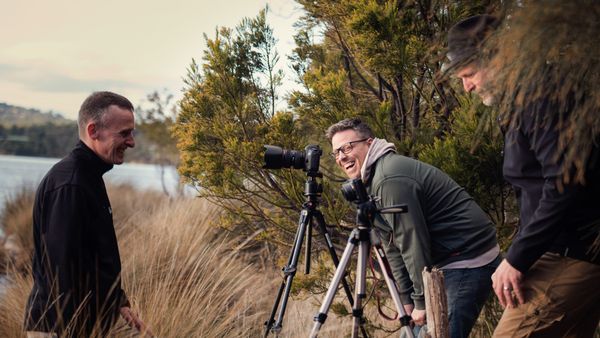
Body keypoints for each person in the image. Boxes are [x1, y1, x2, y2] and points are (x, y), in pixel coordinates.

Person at [447, 14, 600, 337]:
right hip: (564, 251)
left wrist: (517, 258)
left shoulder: (540, 96)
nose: (467, 86)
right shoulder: (523, 101)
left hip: (572, 252)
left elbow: (564, 181)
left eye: (470, 74)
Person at [326, 118, 500, 338]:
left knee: (437, 334)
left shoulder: (388, 178)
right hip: (442, 261)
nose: (342, 157)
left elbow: (411, 241)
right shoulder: (370, 181)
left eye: (348, 147)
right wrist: (407, 299)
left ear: (369, 143)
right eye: (336, 153)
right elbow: (392, 243)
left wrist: (421, 301)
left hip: (467, 259)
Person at [24, 91, 151, 337]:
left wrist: (120, 302)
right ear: (93, 131)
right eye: (124, 133)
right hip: (59, 329)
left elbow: (93, 258)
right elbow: (61, 273)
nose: (132, 142)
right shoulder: (71, 185)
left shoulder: (88, 177)